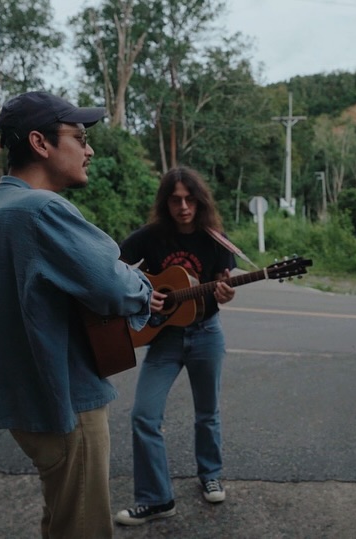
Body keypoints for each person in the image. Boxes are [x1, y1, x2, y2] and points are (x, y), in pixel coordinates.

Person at [0, 91, 160, 538]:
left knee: (62, 517)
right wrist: (141, 285)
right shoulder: (40, 210)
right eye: (78, 136)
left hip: (20, 406)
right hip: (65, 406)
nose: (88, 150)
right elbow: (112, 286)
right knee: (83, 528)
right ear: (40, 142)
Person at [113, 166, 237, 526]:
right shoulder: (150, 237)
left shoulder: (216, 240)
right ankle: (155, 499)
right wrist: (142, 292)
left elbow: (221, 286)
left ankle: (210, 473)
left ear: (200, 201)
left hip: (206, 334)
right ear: (165, 202)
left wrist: (224, 293)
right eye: (175, 200)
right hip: (162, 337)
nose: (183, 206)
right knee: (143, 416)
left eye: (189, 199)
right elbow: (112, 268)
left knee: (207, 412)